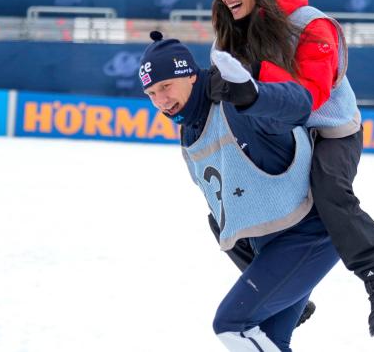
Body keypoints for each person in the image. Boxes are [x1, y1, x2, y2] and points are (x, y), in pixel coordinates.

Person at [209, 0, 374, 337]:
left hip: (331, 129)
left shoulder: (312, 24)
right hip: (280, 129)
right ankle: (287, 290)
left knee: (329, 191)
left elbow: (310, 96)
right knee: (224, 207)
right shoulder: (234, 29)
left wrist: (252, 84)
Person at [139, 31, 339, 351]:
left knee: (231, 326)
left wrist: (254, 95)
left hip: (307, 235)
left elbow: (297, 107)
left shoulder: (236, 106)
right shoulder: (189, 134)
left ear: (190, 74)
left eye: (165, 86)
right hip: (271, 247)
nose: (160, 100)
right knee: (269, 340)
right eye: (151, 93)